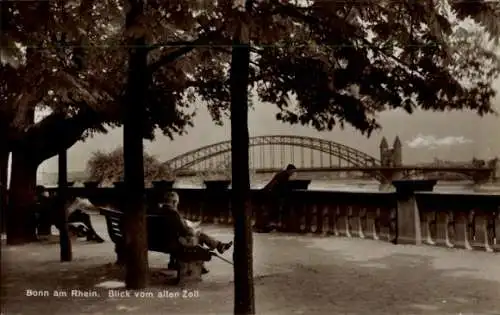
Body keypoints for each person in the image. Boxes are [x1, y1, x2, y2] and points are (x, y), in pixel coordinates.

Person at [153, 191, 232, 273]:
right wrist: (193, 230)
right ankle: (217, 247)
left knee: (196, 234)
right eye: (177, 203)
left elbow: (174, 228)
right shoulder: (173, 214)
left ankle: (218, 246)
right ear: (174, 202)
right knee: (199, 235)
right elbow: (184, 232)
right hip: (173, 244)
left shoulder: (158, 211)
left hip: (159, 243)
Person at [34, 186, 105, 243]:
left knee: (83, 215)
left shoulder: (44, 200)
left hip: (57, 218)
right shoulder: (46, 200)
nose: (46, 193)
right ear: (43, 192)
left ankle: (91, 234)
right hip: (58, 218)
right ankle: (92, 234)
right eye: (45, 192)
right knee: (84, 215)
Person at [256, 164, 297, 232]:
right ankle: (267, 227)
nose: (293, 173)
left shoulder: (282, 174)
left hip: (274, 195)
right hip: (275, 196)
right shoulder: (283, 175)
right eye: (292, 171)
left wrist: (265, 189)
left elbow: (272, 183)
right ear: (289, 170)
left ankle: (265, 226)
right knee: (273, 211)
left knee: (271, 212)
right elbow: (275, 184)